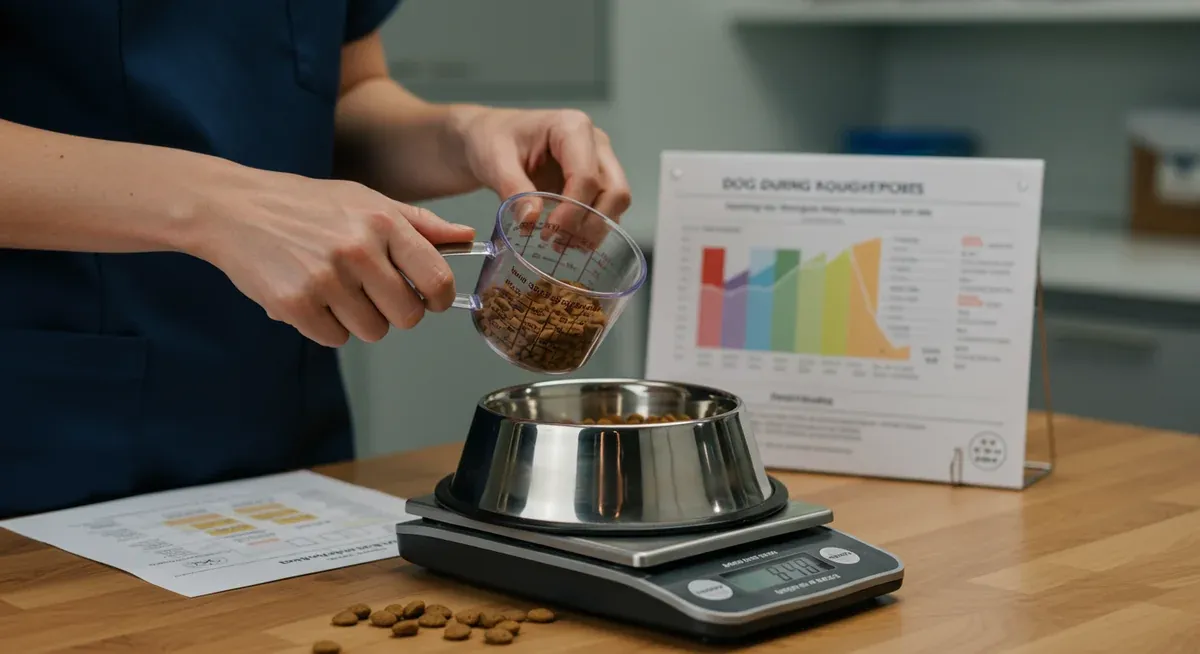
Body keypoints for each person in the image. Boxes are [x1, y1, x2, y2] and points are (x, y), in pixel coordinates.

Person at [0, 1, 631, 519]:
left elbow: (340, 96)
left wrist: (464, 134)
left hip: (279, 427)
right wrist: (216, 202)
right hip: (51, 438)